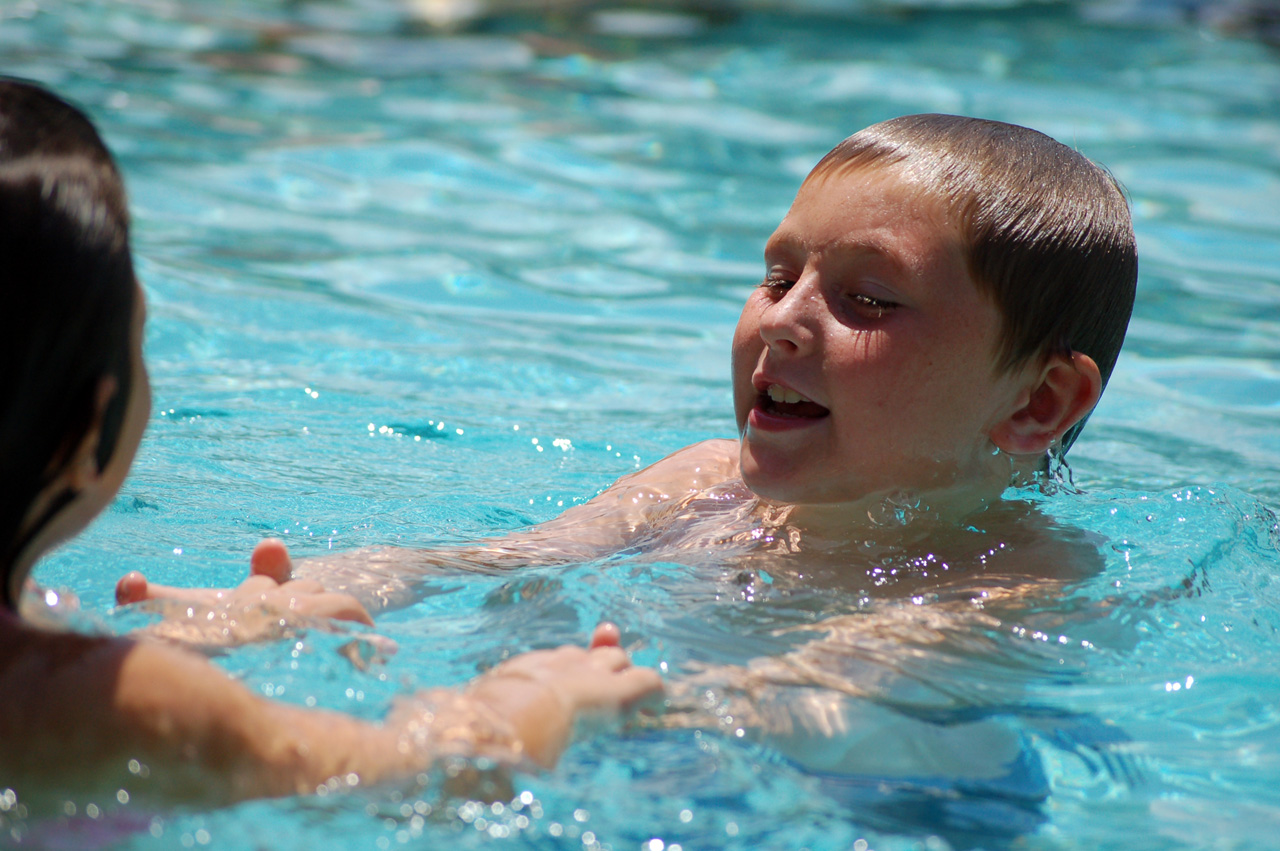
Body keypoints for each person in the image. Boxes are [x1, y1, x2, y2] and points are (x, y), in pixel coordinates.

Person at [122, 111, 1137, 618]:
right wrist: (315, 592)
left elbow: (839, 692)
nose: (783, 321)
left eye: (868, 299)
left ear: (1037, 401)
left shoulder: (1008, 578)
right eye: (775, 273)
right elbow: (491, 560)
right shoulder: (699, 481)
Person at [0, 78, 663, 817]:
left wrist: (215, 631)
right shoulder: (121, 705)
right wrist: (534, 698)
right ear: (91, 431)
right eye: (142, 341)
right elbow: (413, 773)